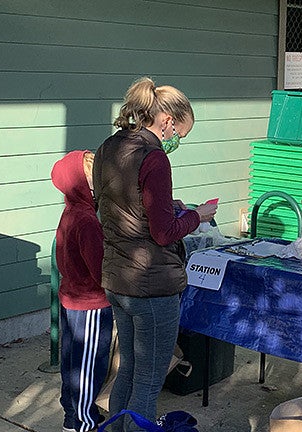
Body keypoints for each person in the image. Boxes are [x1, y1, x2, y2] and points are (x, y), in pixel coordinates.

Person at [92, 77, 217, 431]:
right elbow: (163, 232)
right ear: (168, 122)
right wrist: (197, 215)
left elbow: (113, 205)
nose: (176, 141)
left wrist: (168, 205)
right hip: (152, 285)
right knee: (147, 382)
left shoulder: (108, 147)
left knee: (127, 371)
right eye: (180, 133)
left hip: (117, 277)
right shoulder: (155, 158)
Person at [51, 150, 114, 432]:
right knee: (89, 368)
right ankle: (82, 422)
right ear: (86, 185)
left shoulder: (71, 212)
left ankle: (73, 415)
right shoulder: (87, 220)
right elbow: (100, 268)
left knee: (72, 364)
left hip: (71, 299)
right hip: (91, 304)